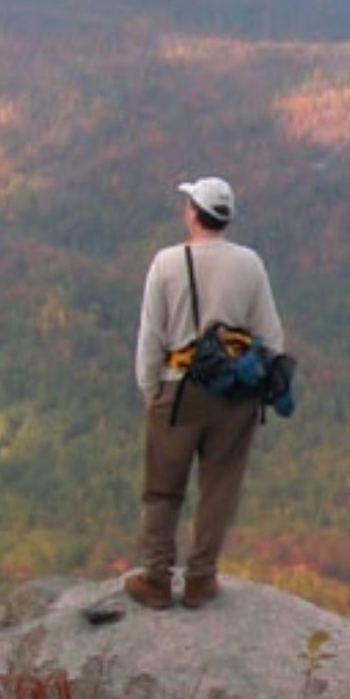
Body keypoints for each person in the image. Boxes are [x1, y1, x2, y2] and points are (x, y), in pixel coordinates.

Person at [126, 175, 285, 609]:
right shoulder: (250, 264)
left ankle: (157, 579)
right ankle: (200, 580)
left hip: (177, 391)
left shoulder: (167, 263)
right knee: (220, 488)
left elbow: (151, 337)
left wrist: (150, 390)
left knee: (163, 487)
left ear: (193, 213)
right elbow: (272, 338)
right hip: (235, 397)